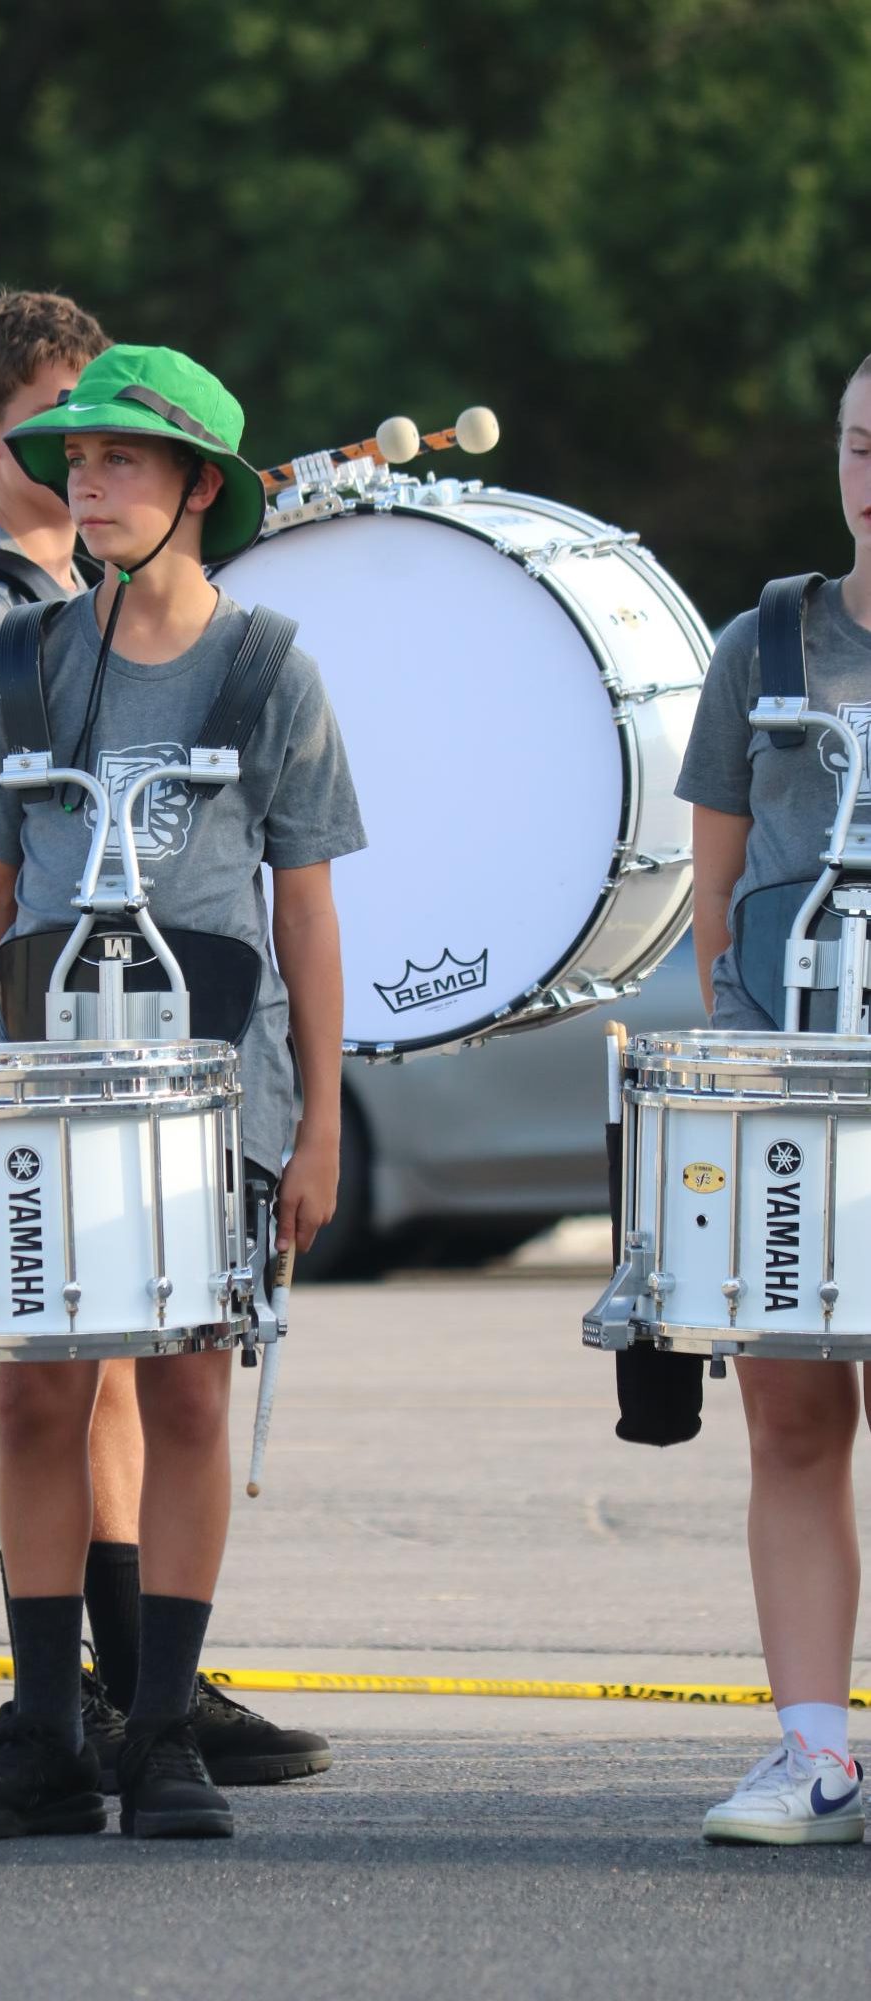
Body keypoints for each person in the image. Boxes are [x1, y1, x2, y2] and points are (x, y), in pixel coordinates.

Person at [0, 343, 366, 1840]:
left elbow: (304, 913)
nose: (83, 481)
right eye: (72, 461)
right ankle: (46, 1735)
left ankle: (162, 1729)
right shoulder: (19, 656)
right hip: (43, 1078)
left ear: (196, 488)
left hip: (213, 1090)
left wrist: (318, 1124)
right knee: (35, 1392)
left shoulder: (268, 663)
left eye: (118, 462)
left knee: (181, 1388)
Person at [676, 352, 871, 1845]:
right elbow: (718, 882)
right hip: (788, 1082)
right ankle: (812, 1751)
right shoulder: (767, 639)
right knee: (790, 1423)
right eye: (860, 444)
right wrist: (743, 1055)